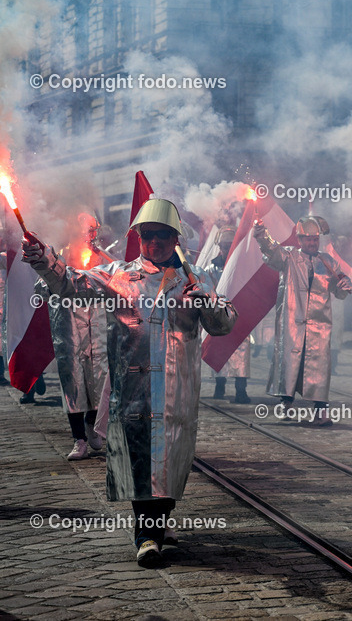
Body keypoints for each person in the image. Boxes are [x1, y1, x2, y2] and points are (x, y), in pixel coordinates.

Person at [22, 198, 237, 566]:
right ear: (139, 238)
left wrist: (207, 301)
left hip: (176, 393)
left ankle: (159, 522)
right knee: (141, 464)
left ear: (176, 239)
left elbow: (224, 325)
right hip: (133, 393)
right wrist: (43, 257)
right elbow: (70, 284)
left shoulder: (196, 277)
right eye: (148, 235)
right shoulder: (119, 274)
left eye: (163, 236)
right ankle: (146, 537)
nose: (155, 242)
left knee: (169, 465)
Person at [254, 215, 352, 426]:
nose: (312, 243)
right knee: (290, 363)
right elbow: (270, 250)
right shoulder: (288, 257)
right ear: (299, 240)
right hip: (293, 321)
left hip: (319, 323)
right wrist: (262, 233)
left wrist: (345, 284)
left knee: (318, 365)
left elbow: (340, 286)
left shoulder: (328, 261)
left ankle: (321, 411)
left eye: (315, 239)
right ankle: (286, 402)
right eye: (308, 239)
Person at [38, 212, 112, 459]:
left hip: (98, 330)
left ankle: (93, 424)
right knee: (73, 384)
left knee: (100, 382)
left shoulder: (104, 258)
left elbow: (120, 282)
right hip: (69, 330)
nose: (87, 236)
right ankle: (78, 439)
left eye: (91, 231)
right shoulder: (59, 259)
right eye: (83, 230)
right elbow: (41, 287)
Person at [202, 226, 251, 404]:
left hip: (239, 314)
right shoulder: (210, 268)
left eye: (230, 245)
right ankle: (219, 386)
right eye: (224, 245)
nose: (226, 249)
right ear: (219, 247)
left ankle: (241, 390)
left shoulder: (242, 267)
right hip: (218, 314)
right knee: (219, 351)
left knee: (241, 352)